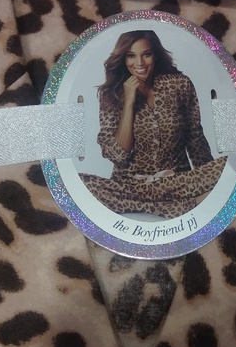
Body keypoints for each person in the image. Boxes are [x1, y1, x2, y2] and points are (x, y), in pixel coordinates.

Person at [80, 30, 226, 219]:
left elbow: (195, 137)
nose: (139, 63)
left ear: (155, 55)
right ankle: (181, 204)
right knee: (80, 183)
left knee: (228, 165)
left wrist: (208, 179)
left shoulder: (179, 85)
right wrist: (129, 103)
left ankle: (141, 203)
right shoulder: (111, 94)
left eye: (146, 54)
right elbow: (118, 156)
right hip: (128, 184)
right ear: (123, 59)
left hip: (177, 182)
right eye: (131, 56)